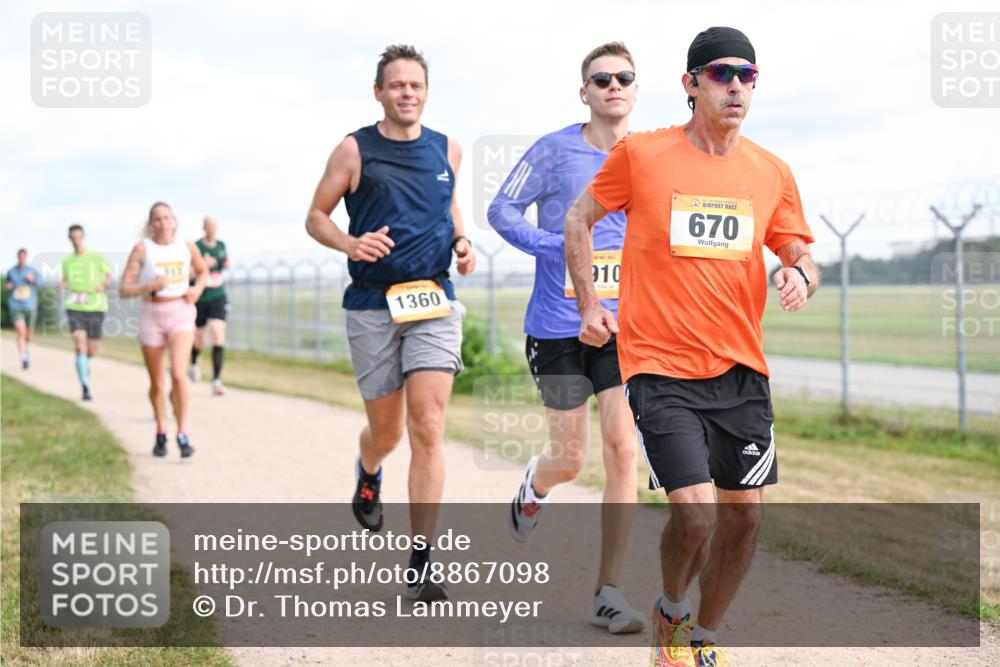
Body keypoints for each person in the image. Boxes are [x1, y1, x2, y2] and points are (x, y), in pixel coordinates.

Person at [564, 27, 820, 667]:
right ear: (690, 84)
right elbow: (578, 219)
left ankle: (704, 636)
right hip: (659, 367)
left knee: (745, 520)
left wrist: (798, 274)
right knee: (699, 517)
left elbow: (800, 252)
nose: (736, 85)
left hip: (741, 371)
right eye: (721, 73)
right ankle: (672, 613)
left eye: (747, 75)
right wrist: (591, 305)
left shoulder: (771, 171)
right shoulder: (643, 155)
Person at [305, 44, 476, 602]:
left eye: (416, 85)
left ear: (426, 91)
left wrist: (462, 239)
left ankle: (422, 559)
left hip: (432, 300)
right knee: (388, 432)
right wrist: (352, 242)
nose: (408, 93)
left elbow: (447, 206)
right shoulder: (355, 150)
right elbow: (315, 216)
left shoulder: (447, 149)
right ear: (379, 92)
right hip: (373, 305)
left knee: (427, 424)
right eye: (397, 85)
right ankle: (369, 467)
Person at [487, 42, 645, 634]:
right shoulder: (554, 151)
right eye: (600, 79)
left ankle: (610, 591)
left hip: (620, 325)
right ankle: (536, 483)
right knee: (571, 460)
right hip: (557, 325)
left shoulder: (646, 154)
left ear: (635, 88)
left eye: (623, 77)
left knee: (623, 450)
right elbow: (502, 209)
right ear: (585, 92)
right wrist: (557, 246)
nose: (612, 86)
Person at [118, 202, 208, 458]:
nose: (162, 223)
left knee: (179, 374)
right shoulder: (142, 250)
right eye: (157, 219)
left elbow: (203, 272)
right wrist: (149, 286)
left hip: (180, 311)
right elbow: (124, 289)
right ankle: (160, 430)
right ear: (151, 224)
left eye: (166, 218)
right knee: (157, 382)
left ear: (174, 221)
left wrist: (197, 289)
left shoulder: (187, 247)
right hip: (152, 314)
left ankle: (182, 432)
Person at [59, 225, 113, 401]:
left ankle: (83, 364)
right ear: (69, 238)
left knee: (93, 349)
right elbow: (67, 279)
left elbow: (108, 274)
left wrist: (103, 285)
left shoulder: (96, 256)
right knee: (79, 343)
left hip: (95, 306)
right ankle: (85, 386)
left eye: (78, 237)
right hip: (74, 306)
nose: (76, 240)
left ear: (83, 237)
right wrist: (62, 284)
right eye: (73, 237)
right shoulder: (67, 261)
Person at [189, 216, 231, 396]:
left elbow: (224, 263)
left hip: (218, 295)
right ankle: (194, 361)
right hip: (201, 297)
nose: (212, 229)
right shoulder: (196, 247)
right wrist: (203, 265)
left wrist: (226, 264)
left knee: (218, 333)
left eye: (214, 226)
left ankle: (217, 380)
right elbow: (189, 273)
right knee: (200, 338)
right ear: (204, 228)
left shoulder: (221, 246)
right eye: (209, 226)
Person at [5, 248, 42, 369]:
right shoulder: (11, 271)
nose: (22, 258)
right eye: (20, 256)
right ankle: (24, 358)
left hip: (30, 305)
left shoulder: (32, 271)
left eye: (24, 257)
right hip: (15, 305)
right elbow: (7, 286)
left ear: (26, 257)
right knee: (21, 331)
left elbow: (43, 283)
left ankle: (26, 350)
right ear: (17, 257)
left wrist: (33, 280)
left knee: (28, 334)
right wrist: (8, 287)